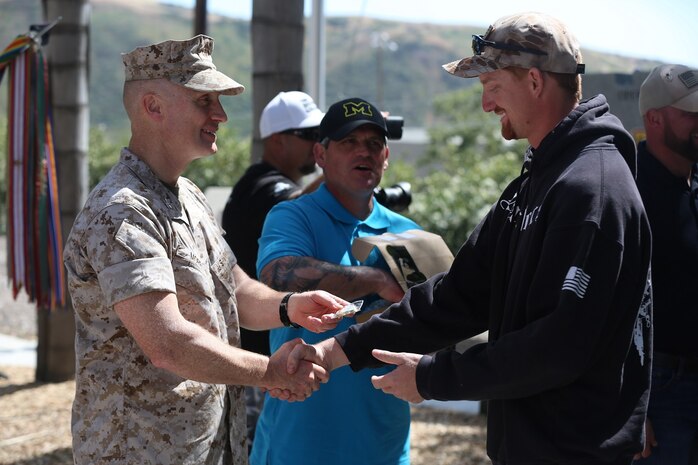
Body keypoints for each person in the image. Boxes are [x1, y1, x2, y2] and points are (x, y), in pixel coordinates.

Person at [288, 12, 653, 465]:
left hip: (576, 451)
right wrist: (338, 349)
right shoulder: (536, 180)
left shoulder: (591, 188)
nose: (485, 104)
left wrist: (431, 377)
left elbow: (559, 348)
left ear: (535, 81)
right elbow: (460, 294)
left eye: (491, 85)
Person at [62, 35, 348, 465]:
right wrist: (269, 371)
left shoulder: (188, 196)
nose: (221, 115)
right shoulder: (122, 212)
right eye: (204, 101)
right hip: (138, 450)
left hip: (202, 445)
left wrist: (291, 306)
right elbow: (168, 343)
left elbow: (235, 291)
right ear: (153, 106)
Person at [249, 97, 421, 465]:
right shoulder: (292, 216)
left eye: (374, 143)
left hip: (384, 446)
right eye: (349, 142)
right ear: (320, 155)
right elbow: (277, 272)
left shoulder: (409, 233)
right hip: (297, 444)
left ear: (386, 156)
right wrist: (374, 280)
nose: (365, 152)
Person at [221, 90, 324, 448]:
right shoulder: (262, 187)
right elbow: (298, 205)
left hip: (265, 354)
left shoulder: (263, 184)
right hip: (257, 359)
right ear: (278, 140)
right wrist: (344, 164)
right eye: (311, 136)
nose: (318, 146)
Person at [633, 64, 698, 464]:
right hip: (659, 391)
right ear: (654, 119)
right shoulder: (626, 190)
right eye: (690, 111)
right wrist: (630, 407)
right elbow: (604, 306)